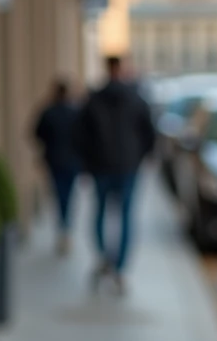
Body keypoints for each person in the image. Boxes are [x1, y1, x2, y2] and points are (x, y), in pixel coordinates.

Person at [74, 55, 155, 295]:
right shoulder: (136, 98)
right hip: (127, 166)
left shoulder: (94, 99)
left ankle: (104, 258)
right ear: (122, 68)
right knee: (126, 216)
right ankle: (119, 266)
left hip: (101, 166)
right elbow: (149, 134)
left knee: (100, 212)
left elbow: (79, 135)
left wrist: (87, 162)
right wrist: (140, 158)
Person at [33, 78, 82, 256]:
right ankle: (66, 227)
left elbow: (36, 133)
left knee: (59, 194)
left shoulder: (49, 111)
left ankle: (63, 227)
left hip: (54, 160)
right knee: (68, 195)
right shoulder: (75, 112)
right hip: (72, 162)